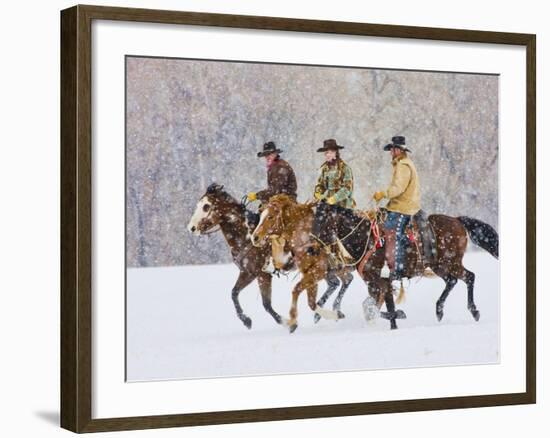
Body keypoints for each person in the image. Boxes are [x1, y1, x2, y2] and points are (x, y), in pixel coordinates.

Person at [373, 136, 420, 282]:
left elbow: (398, 188)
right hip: (398, 205)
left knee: (392, 232)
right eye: (391, 149)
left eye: (394, 149)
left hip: (403, 207)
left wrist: (383, 193)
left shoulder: (403, 165)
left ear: (400, 150)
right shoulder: (401, 164)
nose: (391, 151)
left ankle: (397, 269)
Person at [247, 141, 297, 272]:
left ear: (275, 153)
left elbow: (275, 190)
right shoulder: (274, 166)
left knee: (272, 223)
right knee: (261, 215)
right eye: (266, 155)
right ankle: (266, 253)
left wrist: (257, 195)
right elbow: (273, 192)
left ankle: (277, 258)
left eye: (269, 154)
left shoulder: (280, 167)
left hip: (286, 201)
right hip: (277, 200)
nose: (267, 157)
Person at [313, 139, 356, 209]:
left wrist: (335, 198)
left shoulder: (345, 168)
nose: (327, 155)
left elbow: (347, 188)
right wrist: (318, 192)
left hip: (344, 206)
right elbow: (321, 185)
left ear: (335, 153)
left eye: (330, 152)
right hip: (328, 206)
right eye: (326, 153)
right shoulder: (325, 169)